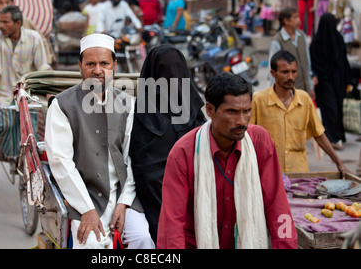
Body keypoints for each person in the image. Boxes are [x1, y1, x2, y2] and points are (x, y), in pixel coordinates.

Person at [157, 72, 297, 249]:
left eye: (246, 111)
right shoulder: (183, 153)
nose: (241, 121)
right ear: (210, 110)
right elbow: (172, 224)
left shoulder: (260, 142)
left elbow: (278, 207)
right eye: (232, 112)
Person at [44, 33, 154, 249]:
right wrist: (86, 209)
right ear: (80, 66)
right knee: (91, 245)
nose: (97, 70)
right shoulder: (62, 105)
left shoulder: (127, 103)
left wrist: (124, 202)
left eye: (104, 63)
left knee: (142, 238)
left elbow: (132, 157)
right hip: (84, 196)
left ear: (114, 65)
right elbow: (61, 162)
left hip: (124, 195)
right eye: (90, 64)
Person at [129, 44, 206, 244]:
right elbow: (141, 165)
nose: (171, 76)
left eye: (176, 70)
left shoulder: (193, 110)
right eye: (164, 71)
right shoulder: (139, 116)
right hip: (152, 197)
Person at [250, 50, 349, 175]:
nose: (290, 77)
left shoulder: (304, 99)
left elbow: (318, 134)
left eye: (293, 72)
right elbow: (247, 137)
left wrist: (339, 163)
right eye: (285, 72)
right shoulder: (258, 100)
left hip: (299, 172)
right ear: (273, 73)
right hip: (268, 174)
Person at [0, 5, 51, 114]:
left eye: (5, 22)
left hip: (28, 95)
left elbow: (43, 68)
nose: (0, 26)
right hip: (4, 95)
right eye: (0, 21)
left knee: (29, 129)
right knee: (5, 127)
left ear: (18, 23)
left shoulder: (34, 38)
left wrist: (50, 94)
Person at [310, 13, 352, 150]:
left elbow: (343, 62)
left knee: (337, 109)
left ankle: (338, 137)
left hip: (336, 82)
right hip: (325, 83)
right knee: (331, 109)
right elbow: (315, 64)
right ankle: (332, 138)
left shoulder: (336, 39)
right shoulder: (318, 43)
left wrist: (348, 81)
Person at [0, 0, 55, 64]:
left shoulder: (26, 22)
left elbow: (42, 41)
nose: (4, 6)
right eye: (0, 3)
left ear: (13, 4)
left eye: (7, 3)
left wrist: (47, 61)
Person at [269, 7, 314, 98]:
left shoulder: (301, 36)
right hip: (287, 92)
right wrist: (274, 93)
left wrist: (310, 86)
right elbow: (272, 69)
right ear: (286, 21)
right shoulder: (277, 41)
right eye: (295, 17)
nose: (299, 20)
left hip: (304, 88)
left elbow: (307, 63)